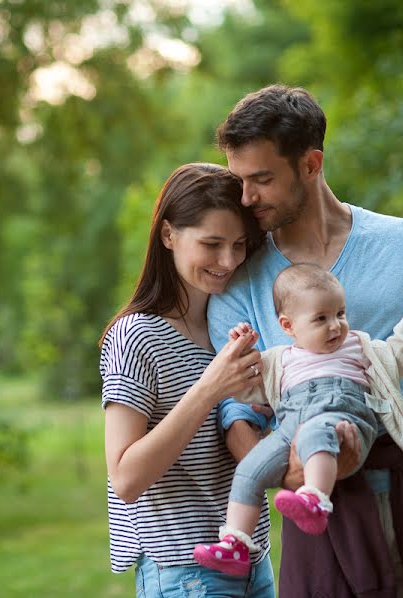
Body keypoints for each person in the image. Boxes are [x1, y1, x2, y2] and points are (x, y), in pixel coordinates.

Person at [208, 85, 403, 597]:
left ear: (311, 164)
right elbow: (238, 412)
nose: (246, 197)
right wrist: (300, 480)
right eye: (240, 181)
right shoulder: (239, 281)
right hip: (320, 499)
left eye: (262, 179)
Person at [99, 162, 277, 597]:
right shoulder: (136, 336)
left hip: (253, 560)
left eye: (238, 245)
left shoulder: (230, 328)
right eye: (212, 244)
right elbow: (125, 478)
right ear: (168, 235)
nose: (229, 261)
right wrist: (210, 388)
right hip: (186, 573)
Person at [194, 263, 403, 576]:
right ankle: (236, 543)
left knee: (314, 433)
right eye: (321, 318)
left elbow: (396, 360)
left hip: (341, 418)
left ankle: (316, 500)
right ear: (288, 326)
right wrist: (240, 348)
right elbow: (244, 388)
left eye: (340, 314)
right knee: (250, 469)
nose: (335, 326)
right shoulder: (277, 360)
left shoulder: (358, 346)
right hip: (288, 429)